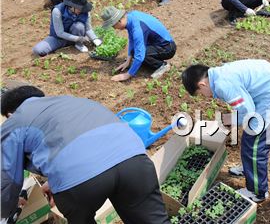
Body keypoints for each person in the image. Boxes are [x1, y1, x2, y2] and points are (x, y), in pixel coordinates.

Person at [0, 85, 170, 223]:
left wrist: (7, 211)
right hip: (135, 160)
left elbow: (8, 177)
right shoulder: (72, 101)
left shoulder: (15, 122)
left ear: (10, 114)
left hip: (80, 183)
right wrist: (55, 182)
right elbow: (83, 144)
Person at [181, 59, 270, 202]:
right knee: (250, 139)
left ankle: (257, 191)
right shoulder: (220, 73)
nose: (205, 96)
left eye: (201, 93)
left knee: (254, 144)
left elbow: (248, 113)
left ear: (201, 84)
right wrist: (231, 118)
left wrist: (230, 120)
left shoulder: (222, 85)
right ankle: (249, 169)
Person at [102, 6, 176, 81]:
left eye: (113, 25)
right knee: (134, 52)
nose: (114, 28)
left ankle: (162, 66)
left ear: (119, 20)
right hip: (155, 43)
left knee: (142, 54)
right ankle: (150, 60)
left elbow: (140, 55)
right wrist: (128, 61)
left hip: (167, 48)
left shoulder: (138, 28)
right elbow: (132, 39)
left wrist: (127, 75)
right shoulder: (131, 16)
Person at [33, 0, 100, 56]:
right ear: (72, 6)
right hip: (59, 38)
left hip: (76, 36)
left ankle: (78, 45)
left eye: (83, 8)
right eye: (79, 8)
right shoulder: (57, 11)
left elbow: (88, 29)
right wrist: (78, 38)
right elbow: (60, 33)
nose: (82, 10)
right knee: (38, 50)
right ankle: (69, 43)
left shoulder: (85, 11)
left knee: (79, 26)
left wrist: (95, 39)